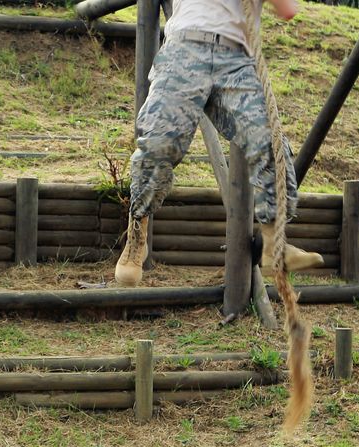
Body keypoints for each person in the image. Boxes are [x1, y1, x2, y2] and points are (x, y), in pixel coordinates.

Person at [114, 0, 324, 286]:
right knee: (158, 141)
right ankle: (137, 234)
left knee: (268, 142)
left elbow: (287, 10)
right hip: (184, 48)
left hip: (236, 58)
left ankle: (274, 243)